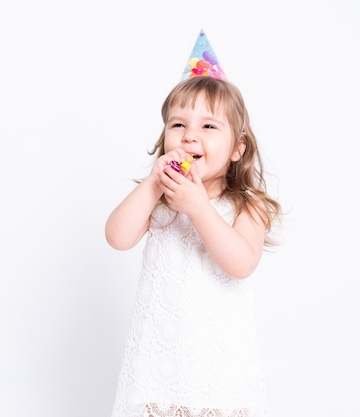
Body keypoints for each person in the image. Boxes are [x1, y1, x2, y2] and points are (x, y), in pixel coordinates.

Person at [105, 31, 281, 417]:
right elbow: (117, 237)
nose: (189, 137)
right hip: (158, 364)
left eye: (209, 127)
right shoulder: (161, 202)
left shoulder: (247, 207)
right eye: (178, 125)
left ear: (239, 148)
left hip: (216, 370)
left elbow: (240, 264)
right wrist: (153, 185)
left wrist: (200, 208)